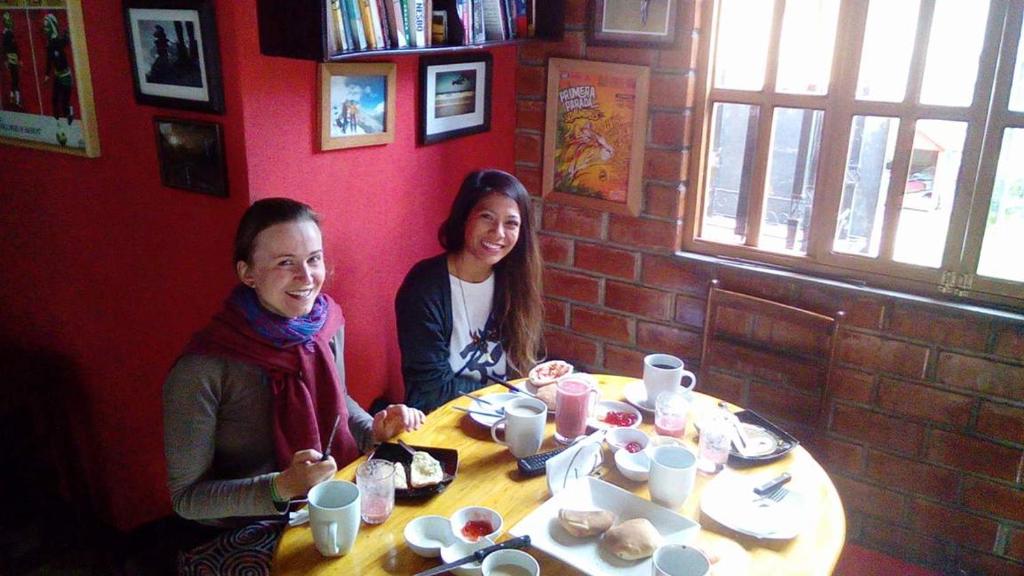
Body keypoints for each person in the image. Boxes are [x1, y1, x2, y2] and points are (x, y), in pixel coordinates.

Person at [164, 198, 425, 572]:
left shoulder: (327, 323)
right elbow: (187, 498)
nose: (306, 277)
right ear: (248, 273)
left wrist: (373, 430)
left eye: (314, 259)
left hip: (329, 500)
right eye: (285, 262)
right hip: (244, 530)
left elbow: (339, 398)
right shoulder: (202, 370)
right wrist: (282, 486)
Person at [395, 169, 544, 413]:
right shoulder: (424, 287)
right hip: (442, 421)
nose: (498, 233)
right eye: (487, 217)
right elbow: (432, 390)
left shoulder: (514, 278)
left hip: (506, 416)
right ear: (465, 217)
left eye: (511, 223)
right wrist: (510, 397)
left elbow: (523, 362)